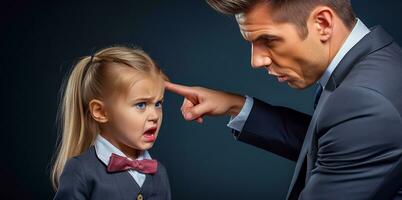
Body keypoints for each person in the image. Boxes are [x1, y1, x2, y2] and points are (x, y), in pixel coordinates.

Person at [165, 0, 402, 199]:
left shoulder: (365, 101)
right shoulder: (376, 64)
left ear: (323, 23)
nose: (256, 61)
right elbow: (335, 146)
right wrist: (236, 106)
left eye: (268, 40)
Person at [51, 46, 171, 200]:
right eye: (141, 104)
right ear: (101, 112)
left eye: (158, 104)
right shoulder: (80, 171)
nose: (155, 115)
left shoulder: (159, 173)